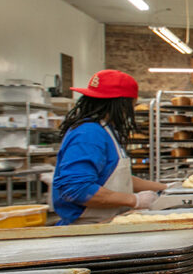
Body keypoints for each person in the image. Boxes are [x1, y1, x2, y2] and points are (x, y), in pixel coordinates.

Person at [53, 70, 166, 224]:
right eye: (133, 105)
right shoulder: (89, 134)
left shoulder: (106, 130)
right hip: (88, 229)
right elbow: (77, 189)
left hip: (107, 223)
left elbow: (115, 178)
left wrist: (165, 188)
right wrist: (134, 200)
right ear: (122, 104)